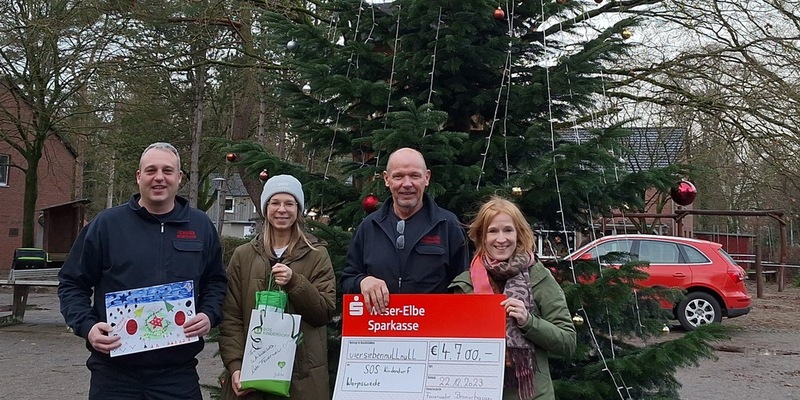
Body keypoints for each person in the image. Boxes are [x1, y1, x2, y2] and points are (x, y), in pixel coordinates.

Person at [58, 142, 228, 399]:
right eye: (151, 170)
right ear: (139, 177)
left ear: (179, 178)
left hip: (177, 374)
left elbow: (215, 282)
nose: (159, 177)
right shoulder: (107, 225)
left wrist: (209, 314)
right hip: (114, 374)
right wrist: (87, 326)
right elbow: (71, 282)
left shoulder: (200, 226)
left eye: (167, 171)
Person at [218, 175, 336, 400]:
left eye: (289, 203)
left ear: (298, 210)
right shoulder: (243, 256)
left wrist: (295, 283)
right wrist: (235, 365)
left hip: (302, 380)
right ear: (266, 208)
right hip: (252, 376)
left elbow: (324, 312)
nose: (282, 210)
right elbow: (230, 317)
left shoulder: (317, 254)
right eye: (275, 203)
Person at [449, 196, 576, 400]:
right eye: (493, 231)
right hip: (479, 391)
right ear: (481, 236)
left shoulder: (539, 277)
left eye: (508, 230)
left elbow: (567, 342)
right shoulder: (465, 284)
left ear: (519, 234)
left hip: (532, 395)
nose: (501, 239)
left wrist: (528, 321)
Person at [341, 147, 469, 313]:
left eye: (415, 176)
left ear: (427, 178)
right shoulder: (369, 227)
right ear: (387, 179)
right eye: (398, 176)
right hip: (381, 325)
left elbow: (464, 284)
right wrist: (362, 281)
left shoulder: (448, 225)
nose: (407, 184)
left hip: (435, 325)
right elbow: (347, 280)